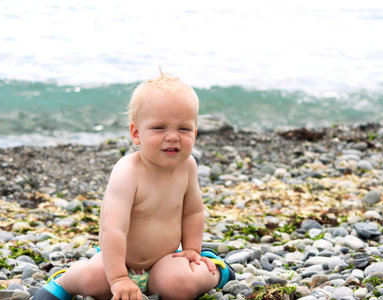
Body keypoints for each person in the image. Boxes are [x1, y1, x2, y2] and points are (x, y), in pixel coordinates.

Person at [34, 71, 234, 300]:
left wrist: (191, 250)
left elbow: (193, 212)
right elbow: (113, 229)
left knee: (179, 286)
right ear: (136, 134)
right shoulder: (128, 172)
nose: (172, 137)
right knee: (95, 279)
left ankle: (219, 272)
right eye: (159, 128)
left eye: (184, 129)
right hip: (119, 260)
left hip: (164, 260)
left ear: (195, 133)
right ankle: (64, 282)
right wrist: (119, 278)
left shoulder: (187, 166)